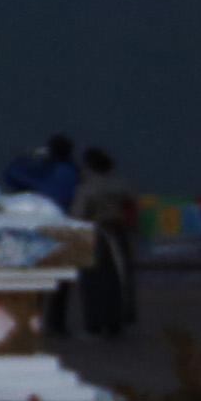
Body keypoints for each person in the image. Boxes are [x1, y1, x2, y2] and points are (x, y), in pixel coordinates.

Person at [72, 145, 137, 341]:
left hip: (95, 236)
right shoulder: (119, 184)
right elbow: (132, 201)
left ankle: (94, 325)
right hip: (118, 235)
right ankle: (114, 322)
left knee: (93, 283)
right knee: (117, 281)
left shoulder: (87, 188)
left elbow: (78, 214)